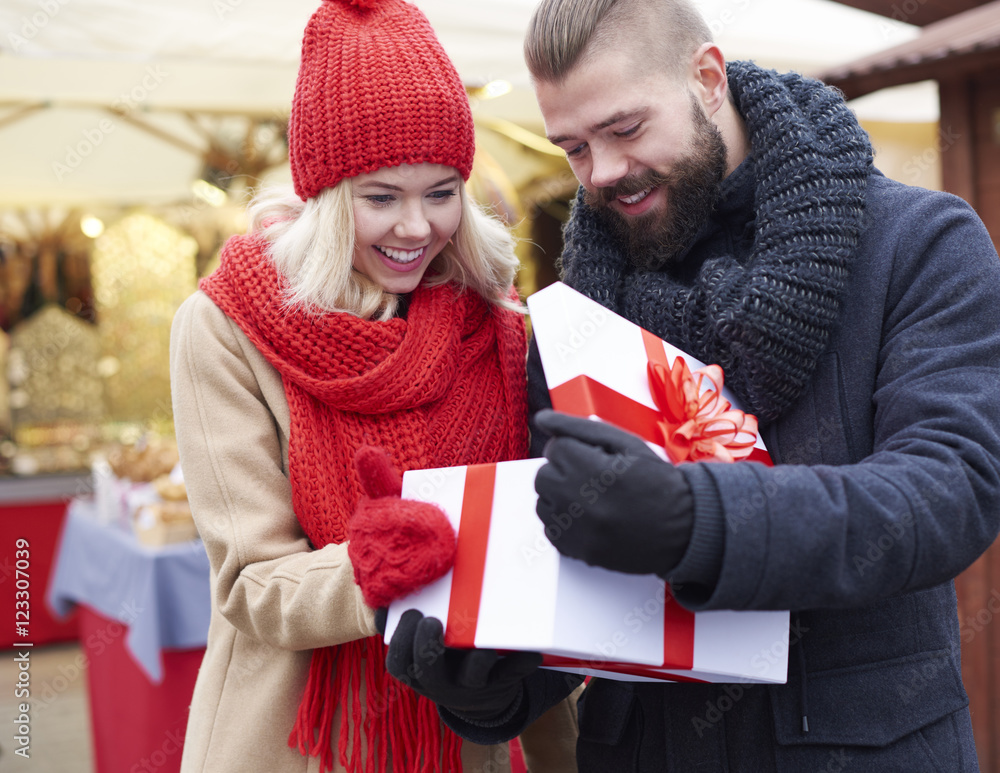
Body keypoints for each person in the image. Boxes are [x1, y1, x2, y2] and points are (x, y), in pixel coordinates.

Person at [383, 0, 1000, 770]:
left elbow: (950, 491)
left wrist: (692, 519)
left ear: (707, 77)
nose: (601, 171)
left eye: (626, 129)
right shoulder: (577, 306)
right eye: (573, 147)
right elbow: (575, 569)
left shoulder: (921, 241)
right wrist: (488, 683)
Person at [169, 1, 580, 771]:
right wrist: (372, 569)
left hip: (472, 731)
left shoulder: (499, 325)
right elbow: (251, 582)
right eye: (381, 197)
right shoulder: (224, 328)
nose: (417, 227)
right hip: (305, 739)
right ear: (325, 199)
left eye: (441, 191)